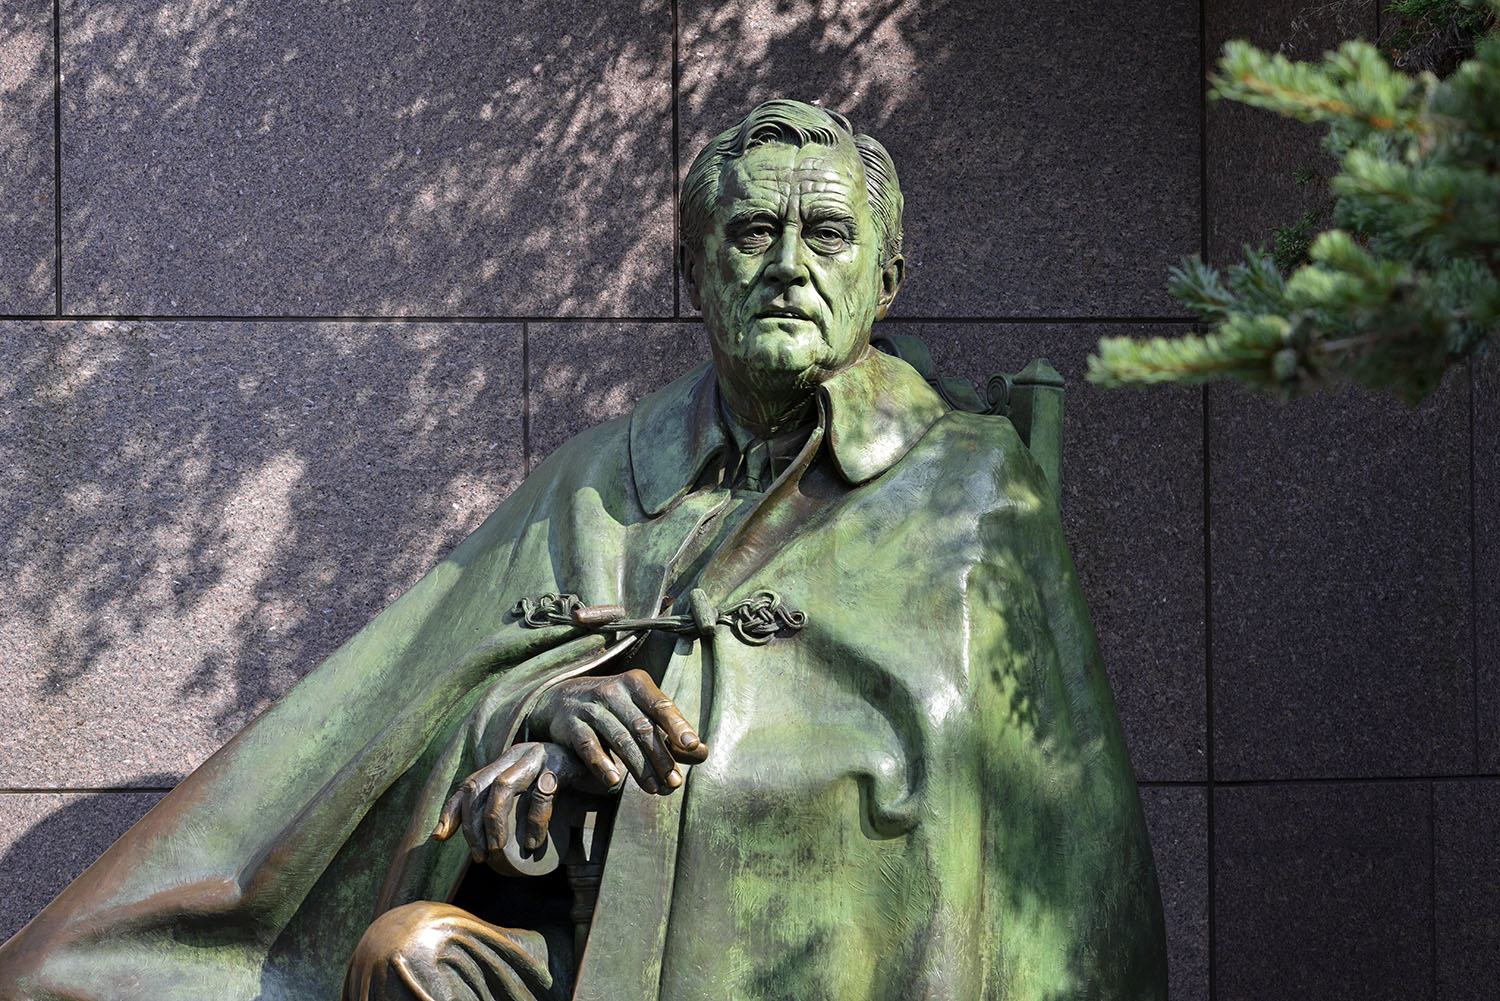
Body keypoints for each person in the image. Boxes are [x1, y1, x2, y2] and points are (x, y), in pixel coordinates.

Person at [0, 100, 1166, 1001]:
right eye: (753, 231)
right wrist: (535, 718)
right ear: (696, 271)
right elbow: (413, 705)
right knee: (411, 954)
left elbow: (1052, 826)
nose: (787, 265)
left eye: (826, 235)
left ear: (884, 277)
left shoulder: (969, 484)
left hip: (839, 952)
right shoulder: (594, 479)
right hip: (604, 944)